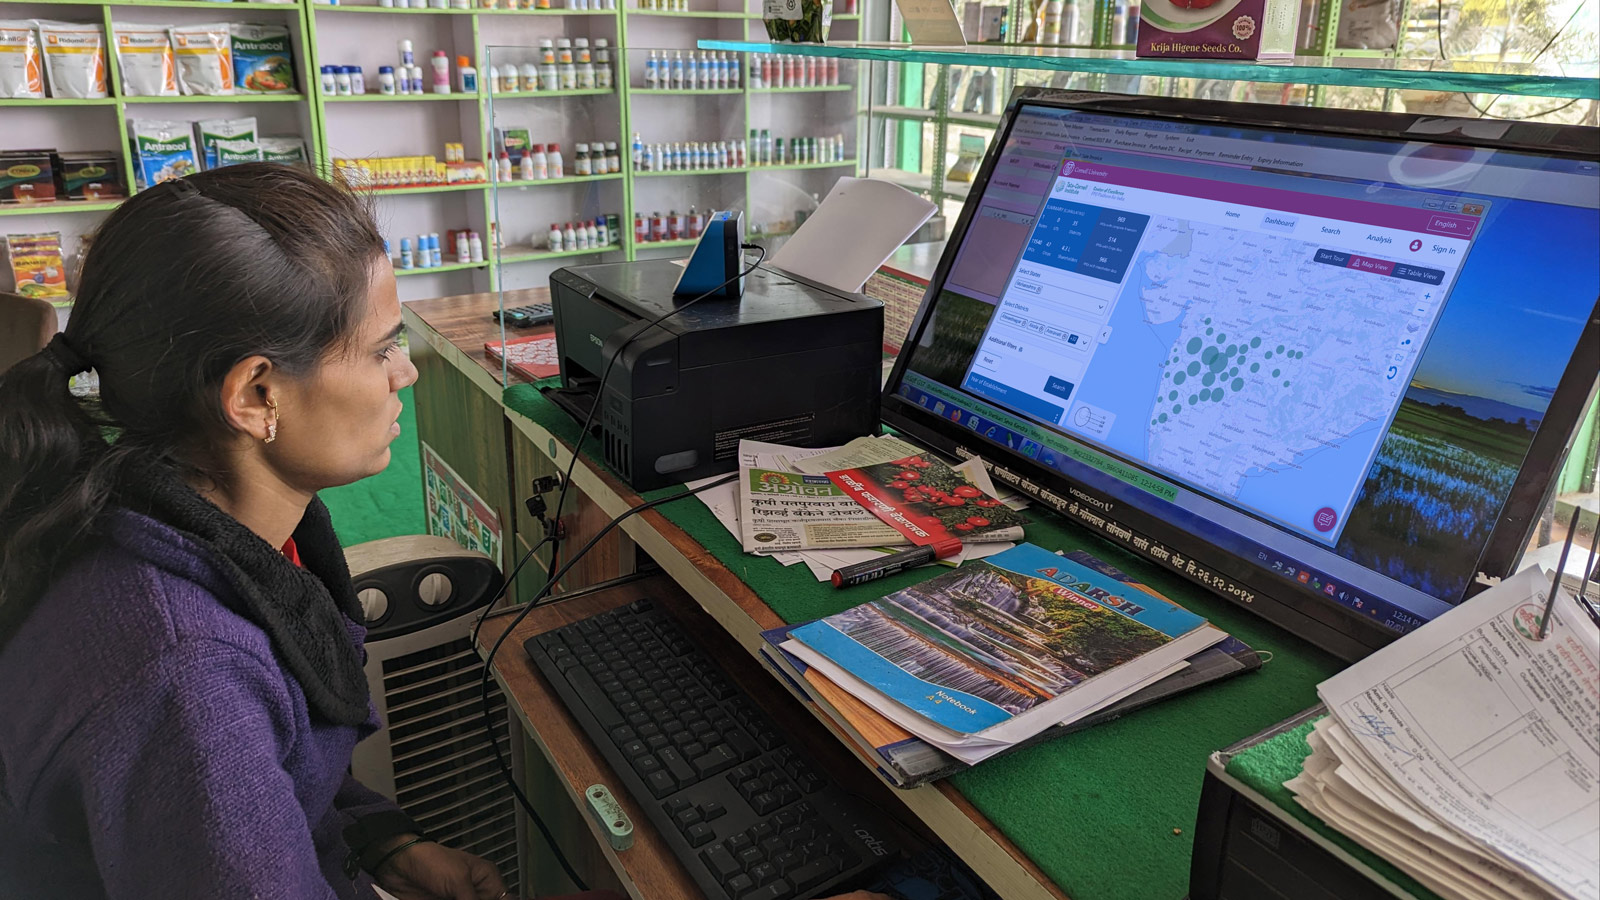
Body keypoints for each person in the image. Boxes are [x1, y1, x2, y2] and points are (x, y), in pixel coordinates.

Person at [0, 164, 894, 900]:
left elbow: (267, 774)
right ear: (256, 396)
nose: (409, 373)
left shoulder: (196, 517)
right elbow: (221, 761)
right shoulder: (181, 678)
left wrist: (380, 842)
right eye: (384, 345)